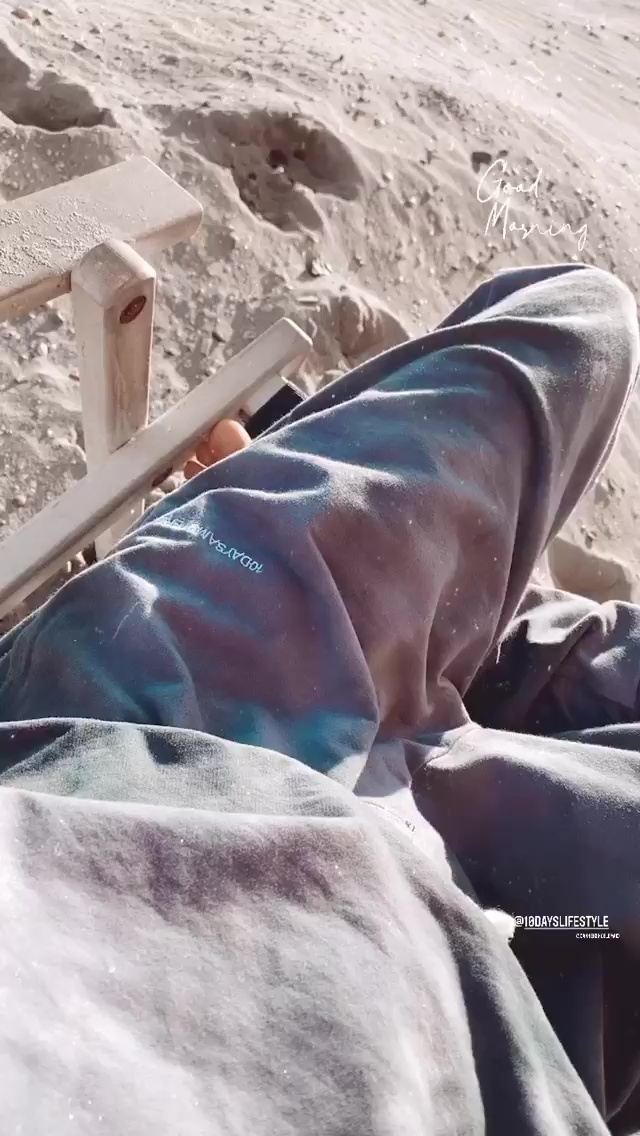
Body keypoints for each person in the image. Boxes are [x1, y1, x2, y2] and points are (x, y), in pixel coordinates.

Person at [0, 262, 638, 1136]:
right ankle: (459, 649)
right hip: (497, 989)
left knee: (581, 324)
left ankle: (441, 634)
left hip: (127, 789)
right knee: (590, 327)